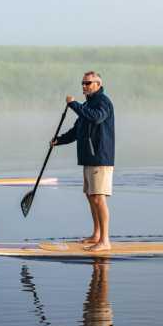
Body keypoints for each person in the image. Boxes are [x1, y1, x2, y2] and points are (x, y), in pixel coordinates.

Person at [51, 71, 115, 251]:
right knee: (90, 196)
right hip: (88, 158)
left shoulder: (103, 102)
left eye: (88, 83)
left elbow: (96, 117)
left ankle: (105, 241)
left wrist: (73, 104)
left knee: (98, 198)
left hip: (100, 157)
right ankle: (96, 235)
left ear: (98, 84)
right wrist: (59, 140)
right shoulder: (88, 105)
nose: (84, 86)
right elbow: (77, 130)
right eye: (83, 83)